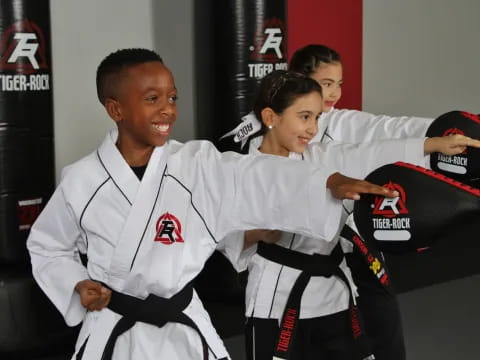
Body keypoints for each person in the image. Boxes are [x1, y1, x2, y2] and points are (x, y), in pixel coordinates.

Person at [25, 48, 400, 360]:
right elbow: (48, 244)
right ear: (115, 109)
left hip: (182, 325)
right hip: (115, 329)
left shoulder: (194, 163)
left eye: (172, 97)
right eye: (152, 99)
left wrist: (326, 180)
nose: (168, 109)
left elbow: (253, 173)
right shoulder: (82, 179)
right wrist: (76, 282)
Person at [220, 70, 479, 360]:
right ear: (271, 117)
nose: (312, 129)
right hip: (276, 302)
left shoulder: (321, 156)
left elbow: (370, 153)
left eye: (317, 118)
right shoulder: (239, 171)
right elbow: (219, 230)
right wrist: (257, 234)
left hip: (333, 298)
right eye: (304, 117)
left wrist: (431, 145)